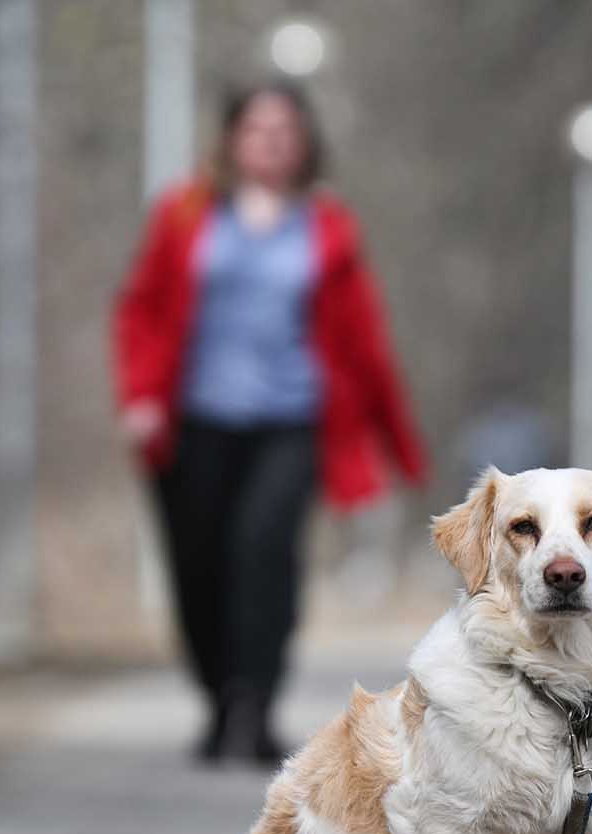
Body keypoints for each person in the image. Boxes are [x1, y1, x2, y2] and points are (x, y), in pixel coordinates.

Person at [114, 82, 428, 765]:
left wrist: (396, 443)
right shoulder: (185, 213)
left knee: (264, 555)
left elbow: (362, 339)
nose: (272, 140)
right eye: (258, 128)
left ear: (306, 143)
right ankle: (218, 695)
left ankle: (255, 704)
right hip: (194, 420)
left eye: (286, 129)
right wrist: (139, 397)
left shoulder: (328, 225)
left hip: (292, 421)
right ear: (231, 138)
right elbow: (140, 308)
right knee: (199, 566)